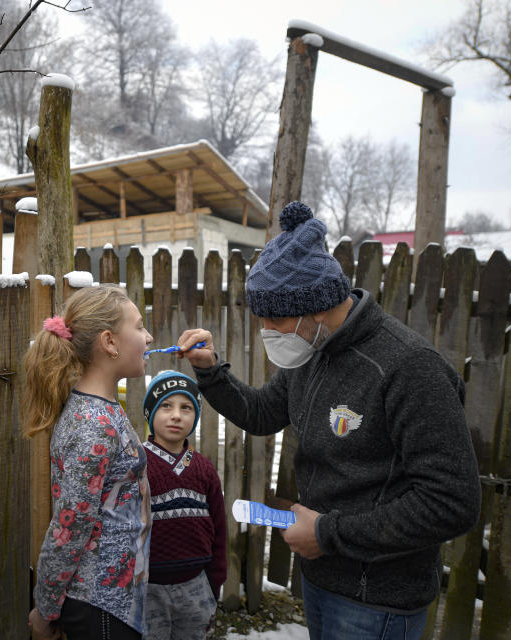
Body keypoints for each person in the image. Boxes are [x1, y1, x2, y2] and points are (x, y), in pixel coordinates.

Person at [175, 202, 482, 640]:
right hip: (322, 576)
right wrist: (210, 370)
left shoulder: (410, 368)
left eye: (275, 318)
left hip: (377, 599)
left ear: (316, 307)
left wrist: (328, 532)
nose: (266, 329)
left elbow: (452, 501)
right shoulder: (312, 353)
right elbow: (263, 413)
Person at [26, 285, 154, 640]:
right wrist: (46, 609)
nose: (149, 336)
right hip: (99, 608)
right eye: (140, 326)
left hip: (117, 602)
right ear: (110, 342)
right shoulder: (92, 427)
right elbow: (69, 529)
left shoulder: (105, 412)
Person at [141, 370, 226, 640]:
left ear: (196, 417)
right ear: (150, 413)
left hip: (195, 586)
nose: (176, 415)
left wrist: (214, 583)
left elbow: (220, 530)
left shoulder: (204, 469)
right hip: (147, 588)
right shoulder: (137, 465)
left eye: (186, 407)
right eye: (166, 405)